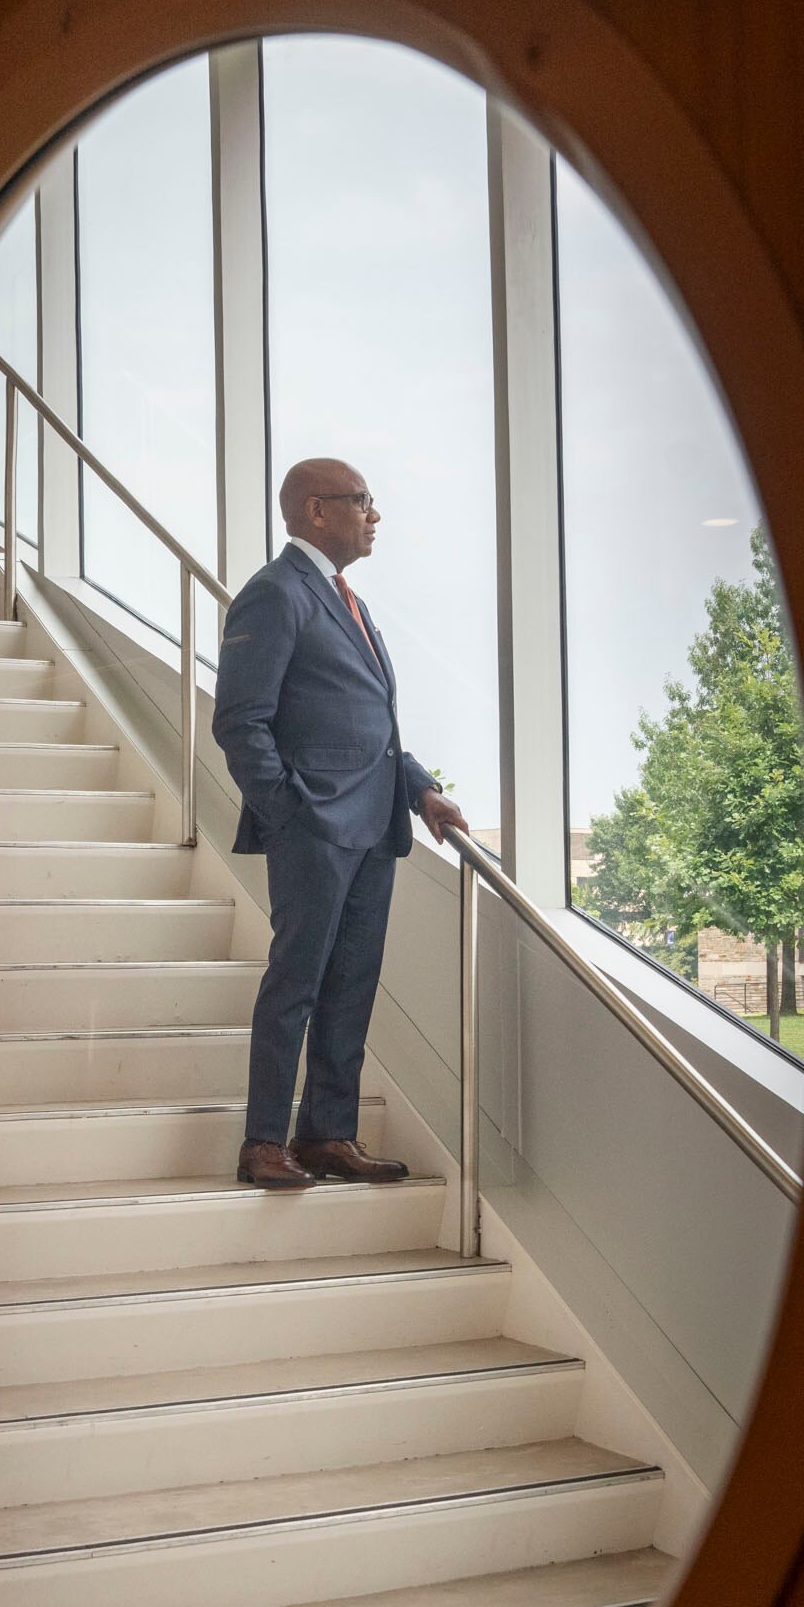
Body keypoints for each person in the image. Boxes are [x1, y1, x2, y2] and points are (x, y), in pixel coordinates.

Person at [211, 458, 469, 1190]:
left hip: (372, 825)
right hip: (316, 828)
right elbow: (239, 722)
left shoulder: (343, 598)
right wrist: (292, 815)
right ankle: (264, 1141)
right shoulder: (274, 594)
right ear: (316, 511)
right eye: (362, 502)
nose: (374, 515)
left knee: (351, 984)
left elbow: (369, 724)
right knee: (296, 983)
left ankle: (327, 1135)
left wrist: (422, 790)